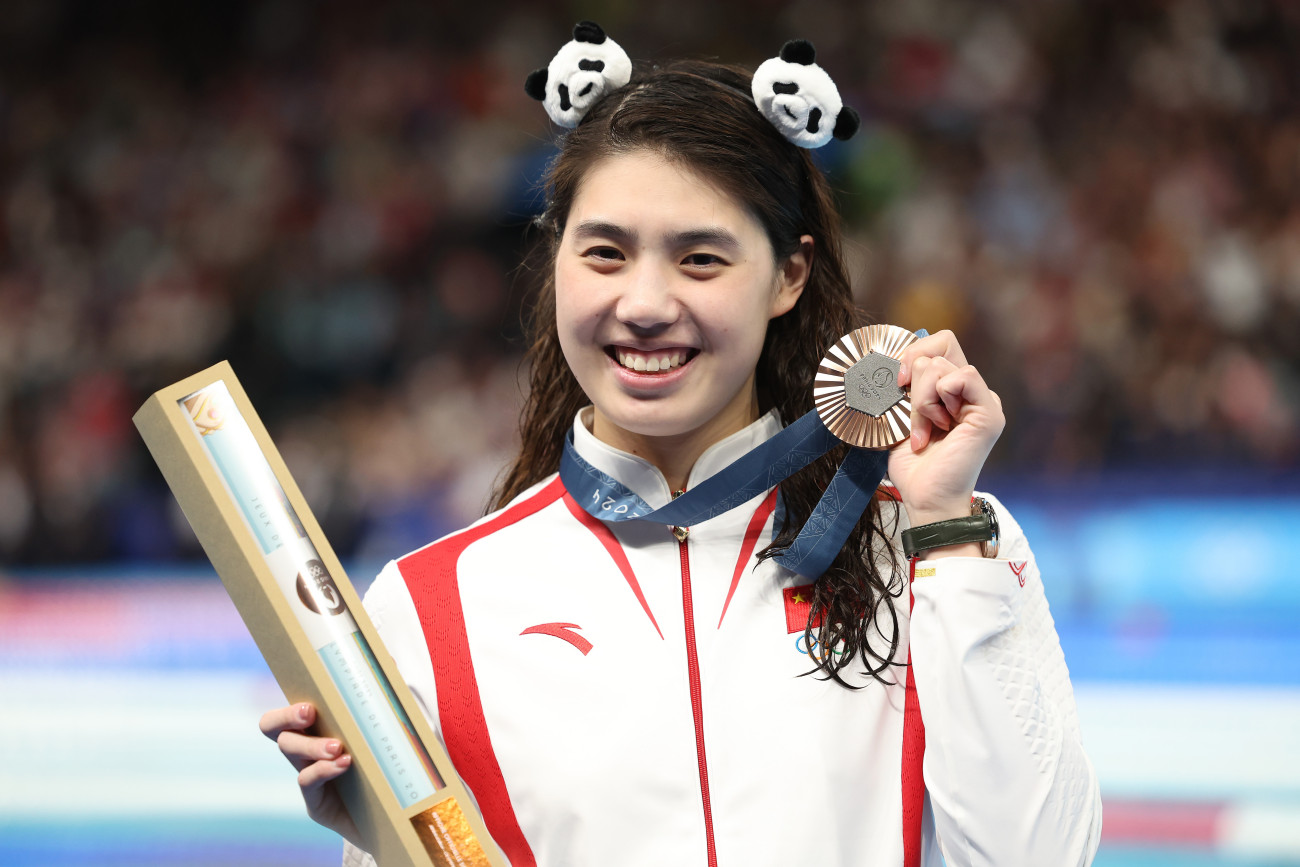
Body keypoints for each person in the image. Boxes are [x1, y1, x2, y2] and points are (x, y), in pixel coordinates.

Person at [260, 30, 1101, 867]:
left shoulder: (928, 546)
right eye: (605, 253)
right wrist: (391, 840)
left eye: (700, 258)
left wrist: (946, 528)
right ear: (556, 260)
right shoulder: (430, 604)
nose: (646, 303)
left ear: (789, 275)